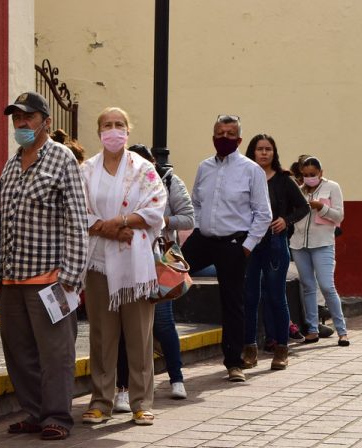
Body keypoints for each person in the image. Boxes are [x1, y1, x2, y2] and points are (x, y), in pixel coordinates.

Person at [0, 91, 88, 441]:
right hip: (13, 278)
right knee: (19, 352)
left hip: (50, 278)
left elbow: (77, 220)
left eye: (27, 117)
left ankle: (57, 416)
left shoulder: (62, 160)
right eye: (16, 118)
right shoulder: (12, 164)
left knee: (56, 353)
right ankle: (34, 412)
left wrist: (72, 276)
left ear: (46, 121)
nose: (20, 124)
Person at [81, 107, 167, 426]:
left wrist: (122, 221)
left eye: (119, 125)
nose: (113, 130)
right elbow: (76, 209)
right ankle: (101, 401)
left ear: (128, 131)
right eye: (107, 125)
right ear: (99, 131)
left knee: (139, 335)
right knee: (102, 336)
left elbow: (156, 207)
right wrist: (107, 228)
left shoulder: (143, 169)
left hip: (135, 264)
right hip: (99, 262)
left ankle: (141, 401)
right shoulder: (86, 170)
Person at [181, 115, 272, 383]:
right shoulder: (204, 167)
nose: (224, 138)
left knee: (233, 302)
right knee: (169, 277)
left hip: (235, 244)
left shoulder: (251, 170)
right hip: (203, 239)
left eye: (231, 134)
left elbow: (263, 214)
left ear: (240, 140)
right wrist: (198, 226)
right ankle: (158, 338)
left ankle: (234, 362)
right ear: (212, 136)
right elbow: (195, 201)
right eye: (220, 132)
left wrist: (246, 247)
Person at [114, 143, 194, 410]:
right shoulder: (118, 184)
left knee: (162, 322)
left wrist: (159, 220)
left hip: (158, 261)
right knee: (125, 329)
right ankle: (123, 389)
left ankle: (176, 378)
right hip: (125, 259)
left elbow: (188, 218)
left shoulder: (169, 181)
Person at [242, 134, 309, 370]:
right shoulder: (244, 176)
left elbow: (304, 207)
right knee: (249, 297)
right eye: (259, 149)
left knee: (276, 296)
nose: (263, 153)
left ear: (274, 153)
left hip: (275, 243)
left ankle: (281, 349)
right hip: (249, 244)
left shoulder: (283, 180)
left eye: (268, 149)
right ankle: (249, 348)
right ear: (252, 152)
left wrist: (286, 220)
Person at [289, 156, 349, 346]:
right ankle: (312, 329)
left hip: (323, 243)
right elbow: (292, 215)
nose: (309, 178)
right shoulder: (299, 191)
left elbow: (339, 215)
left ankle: (342, 331)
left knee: (326, 286)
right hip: (299, 244)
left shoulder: (332, 187)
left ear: (321, 173)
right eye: (305, 175)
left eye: (313, 175)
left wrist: (321, 207)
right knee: (308, 286)